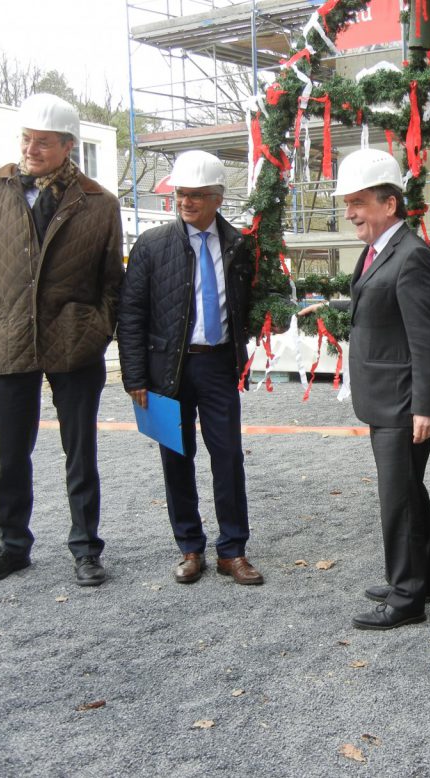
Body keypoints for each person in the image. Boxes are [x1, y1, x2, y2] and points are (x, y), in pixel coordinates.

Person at [0, 93, 123, 587]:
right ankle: (12, 546)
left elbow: (112, 281)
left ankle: (85, 549)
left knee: (80, 453)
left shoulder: (99, 203)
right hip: (10, 339)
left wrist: (99, 330)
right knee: (11, 454)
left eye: (42, 142)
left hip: (75, 344)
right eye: (26, 139)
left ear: (67, 146)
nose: (31, 149)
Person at [301, 148, 430, 630]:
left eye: (359, 202)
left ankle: (406, 599)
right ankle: (418, 577)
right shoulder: (378, 251)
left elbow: (426, 340)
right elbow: (378, 298)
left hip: (403, 403)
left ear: (389, 204)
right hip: (386, 399)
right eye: (348, 203)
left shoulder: (412, 256)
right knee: (408, 491)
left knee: (398, 498)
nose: (350, 213)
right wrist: (333, 303)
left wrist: (426, 405)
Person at [118, 150, 263, 586]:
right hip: (167, 372)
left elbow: (253, 304)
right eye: (181, 194)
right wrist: (135, 377)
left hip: (218, 366)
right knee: (176, 458)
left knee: (228, 457)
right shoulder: (151, 246)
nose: (186, 202)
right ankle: (190, 547)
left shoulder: (239, 247)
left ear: (218, 198)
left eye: (197, 195)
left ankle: (232, 550)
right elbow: (131, 315)